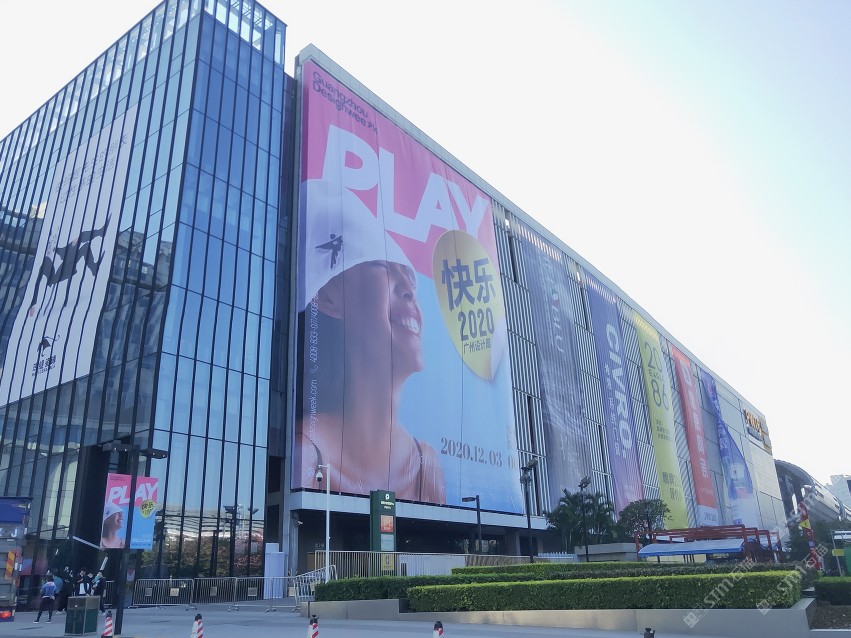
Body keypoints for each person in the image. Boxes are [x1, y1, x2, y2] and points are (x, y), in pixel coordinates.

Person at [294, 179, 446, 503]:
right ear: (328, 295)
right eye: (384, 266)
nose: (408, 289)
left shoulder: (425, 463)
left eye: (410, 277)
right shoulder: (307, 453)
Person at [27, 215, 110, 318]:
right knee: (80, 242)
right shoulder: (44, 264)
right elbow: (37, 284)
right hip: (61, 272)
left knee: (84, 246)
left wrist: (57, 248)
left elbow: (58, 252)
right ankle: (99, 238)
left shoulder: (48, 256)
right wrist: (33, 304)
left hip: (64, 264)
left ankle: (94, 267)